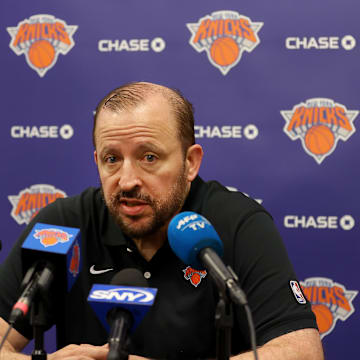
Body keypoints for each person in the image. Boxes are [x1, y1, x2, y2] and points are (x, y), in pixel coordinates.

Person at [0, 82, 324, 360]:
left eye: (149, 157)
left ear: (190, 162)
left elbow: (302, 351)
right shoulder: (63, 225)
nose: (127, 181)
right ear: (97, 161)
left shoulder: (236, 223)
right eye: (112, 159)